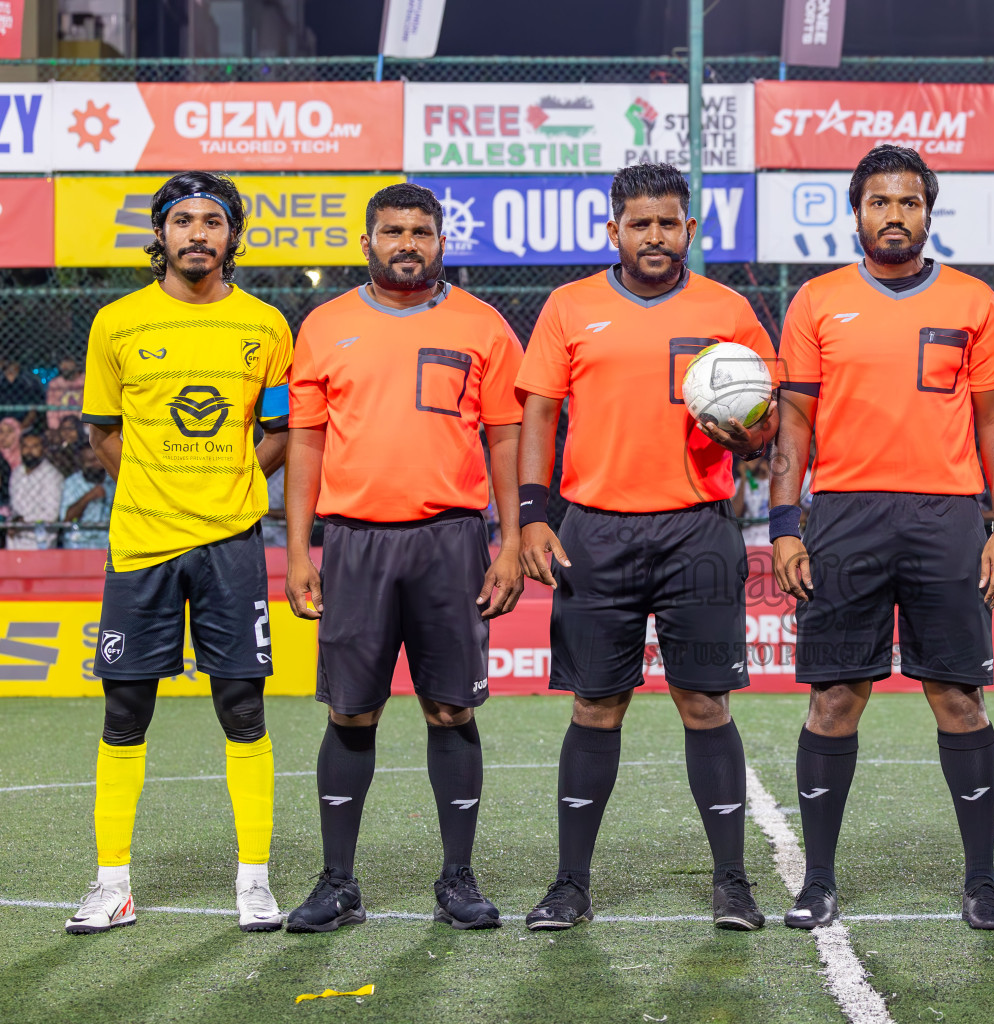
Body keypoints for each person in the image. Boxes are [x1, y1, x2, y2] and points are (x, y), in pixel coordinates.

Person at [518, 163, 777, 932]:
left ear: (689, 230)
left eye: (669, 223)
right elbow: (539, 416)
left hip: (698, 528)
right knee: (596, 704)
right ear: (614, 231)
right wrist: (535, 515)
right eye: (641, 224)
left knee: (704, 702)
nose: (655, 236)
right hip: (594, 527)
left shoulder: (728, 310)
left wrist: (751, 433)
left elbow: (767, 424)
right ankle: (570, 884)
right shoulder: (570, 308)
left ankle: (732, 881)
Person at [771, 145, 994, 931]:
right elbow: (795, 424)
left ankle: (981, 882)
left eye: (909, 202)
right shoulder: (817, 301)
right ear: (856, 213)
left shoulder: (975, 302)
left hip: (947, 515)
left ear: (927, 212)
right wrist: (785, 526)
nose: (894, 215)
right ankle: (817, 881)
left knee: (958, 695)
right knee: (836, 696)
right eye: (879, 202)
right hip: (844, 513)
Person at [283, 182, 524, 933]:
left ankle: (457, 880)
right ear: (367, 243)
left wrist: (512, 541)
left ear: (441, 242)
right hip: (354, 541)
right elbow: (307, 443)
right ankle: (337, 884)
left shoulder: (483, 325)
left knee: (450, 707)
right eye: (393, 231)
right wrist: (297, 551)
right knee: (350, 710)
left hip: (450, 539)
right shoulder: (325, 326)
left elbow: (507, 437)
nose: (408, 242)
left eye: (422, 230)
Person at [66, 171, 292, 935]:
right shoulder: (117, 322)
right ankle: (111, 885)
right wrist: (159, 487)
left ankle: (254, 881)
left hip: (231, 543)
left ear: (233, 236)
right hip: (141, 546)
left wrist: (228, 482)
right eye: (184, 220)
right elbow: (101, 430)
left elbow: (281, 428)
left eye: (213, 221)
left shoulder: (267, 326)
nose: (199, 233)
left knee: (243, 706)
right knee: (125, 709)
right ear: (159, 233)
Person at [8, 430, 64, 550]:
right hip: (16, 540)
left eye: (34, 447)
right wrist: (13, 522)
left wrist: (24, 520)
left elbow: (51, 514)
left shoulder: (52, 475)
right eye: (25, 446)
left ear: (43, 449)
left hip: (40, 540)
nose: (29, 451)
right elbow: (14, 507)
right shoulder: (17, 473)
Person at [59, 441, 114, 549]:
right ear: (81, 463)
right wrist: (88, 497)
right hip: (78, 542)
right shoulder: (72, 483)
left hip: (106, 542)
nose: (96, 464)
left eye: (99, 460)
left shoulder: (113, 481)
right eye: (90, 461)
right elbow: (67, 518)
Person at [0, 361, 43, 432]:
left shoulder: (30, 382)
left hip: (24, 427)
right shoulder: (1, 381)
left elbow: (33, 411)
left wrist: (20, 428)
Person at [47, 354, 86, 430]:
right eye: (61, 363)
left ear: (76, 363)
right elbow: (52, 409)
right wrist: (55, 428)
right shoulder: (55, 383)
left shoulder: (87, 380)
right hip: (62, 425)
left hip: (83, 424)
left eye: (67, 362)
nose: (63, 366)